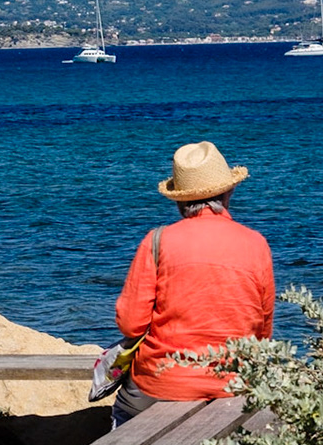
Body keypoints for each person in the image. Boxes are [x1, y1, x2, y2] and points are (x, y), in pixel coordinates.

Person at [111, 141, 275, 427]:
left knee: (124, 411)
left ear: (179, 200)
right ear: (228, 192)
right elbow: (262, 330)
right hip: (231, 382)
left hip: (163, 383)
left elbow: (130, 323)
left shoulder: (157, 241)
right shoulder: (256, 244)